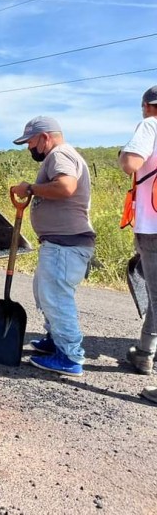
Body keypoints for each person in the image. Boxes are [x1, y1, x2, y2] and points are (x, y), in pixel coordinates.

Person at [11, 116, 95, 377]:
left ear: (45, 137)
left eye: (31, 142)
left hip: (65, 245)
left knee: (56, 299)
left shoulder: (59, 155)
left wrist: (31, 189)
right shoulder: (61, 155)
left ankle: (70, 357)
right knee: (44, 292)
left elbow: (66, 186)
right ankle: (54, 339)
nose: (28, 148)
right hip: (60, 244)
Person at [119, 85, 157, 402]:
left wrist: (123, 154)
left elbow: (131, 162)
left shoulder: (150, 125)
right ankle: (145, 352)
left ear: (146, 106)